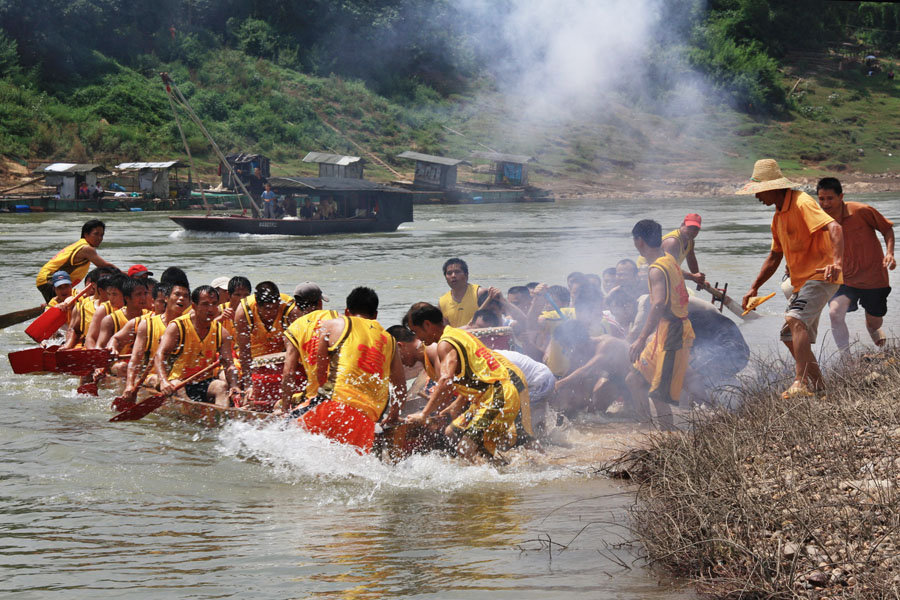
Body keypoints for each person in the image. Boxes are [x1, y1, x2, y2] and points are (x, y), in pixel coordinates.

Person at [738, 159, 843, 398]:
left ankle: (800, 381)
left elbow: (835, 228)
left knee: (795, 318)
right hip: (801, 282)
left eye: (759, 191)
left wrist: (837, 263)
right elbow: (775, 256)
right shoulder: (778, 217)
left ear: (773, 188)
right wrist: (754, 287)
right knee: (788, 335)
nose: (756, 196)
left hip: (821, 275)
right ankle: (820, 388)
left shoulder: (802, 202)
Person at [405, 303, 522, 461]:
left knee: (465, 450)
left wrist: (424, 414)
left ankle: (499, 479)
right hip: (486, 397)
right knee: (451, 432)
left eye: (416, 331)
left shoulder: (445, 343)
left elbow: (446, 380)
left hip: (498, 397)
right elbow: (476, 376)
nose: (418, 338)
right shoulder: (457, 333)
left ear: (427, 324)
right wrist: (456, 404)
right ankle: (496, 469)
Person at [298, 287, 407, 452]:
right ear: (375, 315)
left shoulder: (333, 324)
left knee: (284, 429)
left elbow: (319, 371)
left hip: (332, 407)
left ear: (347, 311)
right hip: (366, 422)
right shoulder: (390, 340)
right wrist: (392, 416)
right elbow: (400, 387)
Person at [626, 219, 695, 430]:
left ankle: (669, 440)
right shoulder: (669, 259)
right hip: (664, 331)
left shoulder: (656, 269)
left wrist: (639, 338)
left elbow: (657, 304)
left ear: (639, 242)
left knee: (659, 395)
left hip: (674, 333)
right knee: (634, 380)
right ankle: (646, 429)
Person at [816, 177, 895, 353]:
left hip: (874, 277)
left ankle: (871, 326)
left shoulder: (861, 211)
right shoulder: (819, 220)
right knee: (834, 313)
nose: (825, 203)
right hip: (845, 278)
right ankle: (847, 360)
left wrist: (889, 253)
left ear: (841, 196)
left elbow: (887, 229)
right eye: (821, 199)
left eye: (830, 198)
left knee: (875, 322)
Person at [153, 285, 241, 407]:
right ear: (194, 306)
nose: (211, 309)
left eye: (214, 304)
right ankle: (190, 412)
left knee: (222, 386)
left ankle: (221, 419)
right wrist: (163, 381)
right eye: (205, 304)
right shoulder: (177, 327)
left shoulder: (221, 332)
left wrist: (234, 386)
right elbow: (159, 355)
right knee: (179, 387)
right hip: (177, 382)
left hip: (204, 382)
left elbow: (229, 364)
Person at [120, 282, 191, 405]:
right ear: (167, 298)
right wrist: (130, 384)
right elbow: (135, 358)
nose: (181, 299)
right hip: (152, 377)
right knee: (165, 382)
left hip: (184, 378)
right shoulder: (147, 325)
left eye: (186, 296)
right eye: (177, 294)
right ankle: (190, 411)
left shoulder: (192, 324)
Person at [234, 281, 301, 408]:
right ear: (257, 306)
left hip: (281, 359)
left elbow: (298, 349)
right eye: (268, 309)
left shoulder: (290, 310)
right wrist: (249, 385)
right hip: (254, 359)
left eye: (276, 308)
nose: (273, 313)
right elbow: (244, 351)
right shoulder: (244, 311)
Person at [277, 282, 338, 413]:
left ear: (297, 306)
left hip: (315, 397)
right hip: (343, 393)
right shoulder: (337, 319)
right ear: (320, 303)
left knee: (277, 405)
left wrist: (284, 410)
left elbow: (288, 373)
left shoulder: (294, 329)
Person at [36, 219, 119, 302]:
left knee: (58, 304)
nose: (99, 238)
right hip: (49, 280)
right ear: (86, 234)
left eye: (102, 235)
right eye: (96, 234)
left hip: (45, 279)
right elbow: (105, 266)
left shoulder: (80, 244)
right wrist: (125, 275)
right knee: (62, 306)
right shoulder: (87, 249)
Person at [661, 213, 705, 285]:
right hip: (648, 275)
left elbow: (691, 260)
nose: (692, 232)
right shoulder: (672, 242)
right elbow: (669, 269)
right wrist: (693, 277)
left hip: (665, 276)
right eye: (690, 227)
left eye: (696, 229)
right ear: (682, 225)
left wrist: (699, 278)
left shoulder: (690, 241)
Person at [438, 258, 481, 327]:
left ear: (466, 275)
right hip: (457, 337)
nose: (453, 276)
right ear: (445, 277)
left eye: (457, 272)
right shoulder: (442, 302)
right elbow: (446, 330)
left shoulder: (479, 293)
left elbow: (495, 320)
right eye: (449, 273)